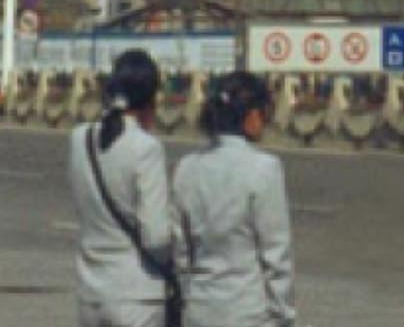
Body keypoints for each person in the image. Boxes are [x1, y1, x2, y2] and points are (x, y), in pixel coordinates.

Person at [174, 70, 295, 327]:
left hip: (199, 309)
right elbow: (275, 256)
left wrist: (188, 295)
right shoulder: (265, 168)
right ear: (252, 116)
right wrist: (284, 315)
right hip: (247, 311)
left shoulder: (187, 167)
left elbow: (181, 251)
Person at [68, 48, 174, 327]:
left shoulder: (80, 139)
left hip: (91, 289)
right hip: (136, 294)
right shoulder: (146, 148)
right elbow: (156, 237)